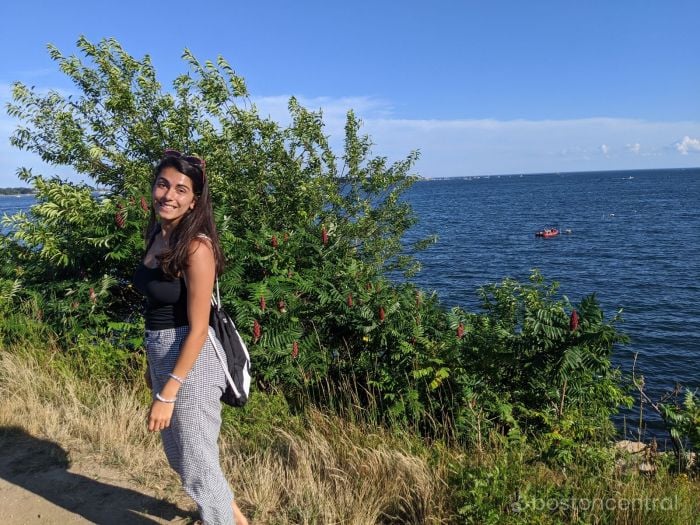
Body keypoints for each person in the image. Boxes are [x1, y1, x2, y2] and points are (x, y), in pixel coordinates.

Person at [133, 150, 248, 524]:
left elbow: (198, 329)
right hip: (163, 353)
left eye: (181, 189)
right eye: (163, 184)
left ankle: (220, 518)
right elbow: (155, 308)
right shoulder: (157, 234)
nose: (169, 195)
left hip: (192, 361)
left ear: (194, 200)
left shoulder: (197, 247)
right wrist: (153, 367)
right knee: (182, 456)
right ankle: (232, 516)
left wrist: (168, 392)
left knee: (197, 463)